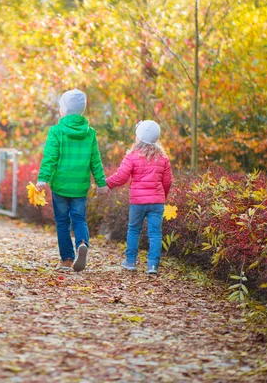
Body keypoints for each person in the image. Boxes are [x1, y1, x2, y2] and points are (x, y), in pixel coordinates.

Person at [36, 89, 110, 272]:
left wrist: (43, 179)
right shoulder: (90, 133)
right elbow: (95, 160)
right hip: (80, 187)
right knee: (79, 219)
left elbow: (50, 158)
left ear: (64, 109)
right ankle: (82, 244)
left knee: (62, 222)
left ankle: (67, 260)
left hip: (60, 186)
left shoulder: (56, 131)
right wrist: (101, 183)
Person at [105, 120, 173, 275]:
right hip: (157, 202)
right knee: (155, 233)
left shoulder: (133, 156)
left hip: (138, 202)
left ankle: (130, 261)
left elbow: (121, 177)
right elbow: (167, 181)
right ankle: (153, 265)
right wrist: (163, 196)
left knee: (134, 230)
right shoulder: (163, 158)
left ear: (139, 138)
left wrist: (106, 184)